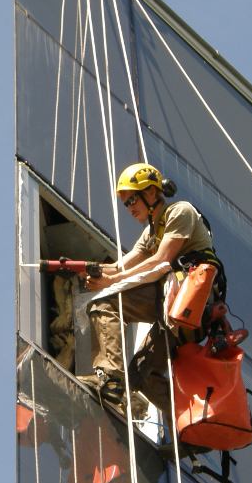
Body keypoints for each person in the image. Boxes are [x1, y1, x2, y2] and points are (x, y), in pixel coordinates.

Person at [78, 162, 222, 417]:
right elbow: (124, 264)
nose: (130, 207)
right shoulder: (152, 232)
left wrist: (111, 282)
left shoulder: (180, 212)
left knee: (103, 304)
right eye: (125, 203)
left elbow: (160, 262)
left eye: (132, 199)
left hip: (190, 301)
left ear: (153, 192)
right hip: (174, 310)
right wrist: (96, 269)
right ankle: (188, 423)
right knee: (142, 372)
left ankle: (110, 378)